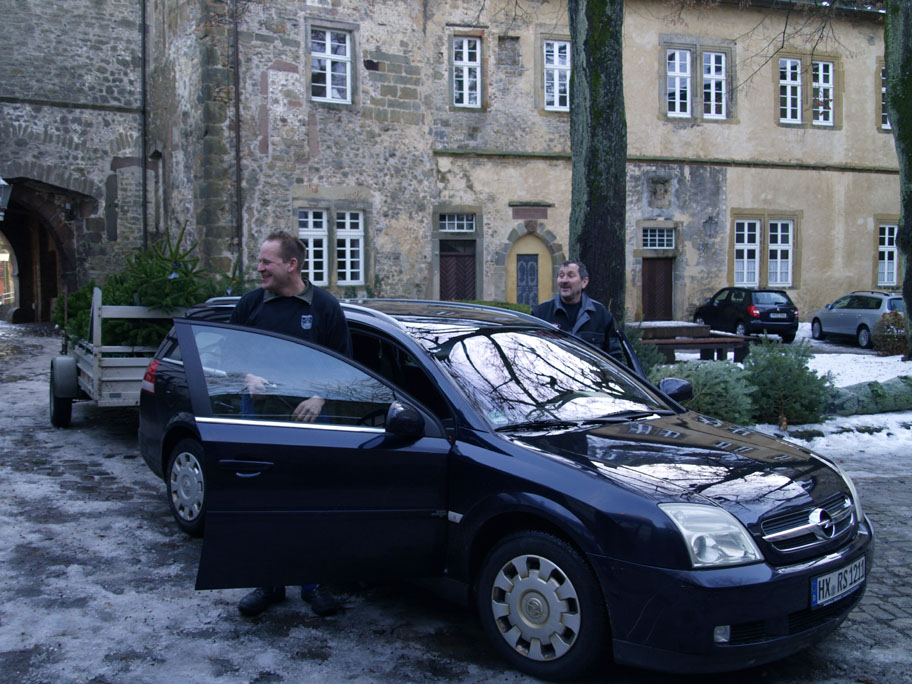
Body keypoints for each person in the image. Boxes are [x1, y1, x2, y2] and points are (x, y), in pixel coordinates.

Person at [229, 230, 351, 618]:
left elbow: (343, 364)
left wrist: (319, 398)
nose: (259, 268)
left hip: (309, 422)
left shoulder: (324, 307)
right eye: (260, 261)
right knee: (265, 502)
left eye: (266, 262)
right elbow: (229, 355)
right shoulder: (250, 305)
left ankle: (314, 584)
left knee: (310, 502)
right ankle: (269, 583)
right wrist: (247, 377)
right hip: (260, 418)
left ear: (292, 265)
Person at [531, 259, 623, 360]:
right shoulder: (541, 313)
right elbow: (531, 352)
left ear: (584, 282)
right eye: (561, 276)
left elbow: (614, 357)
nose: (564, 280)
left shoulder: (601, 314)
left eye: (570, 276)